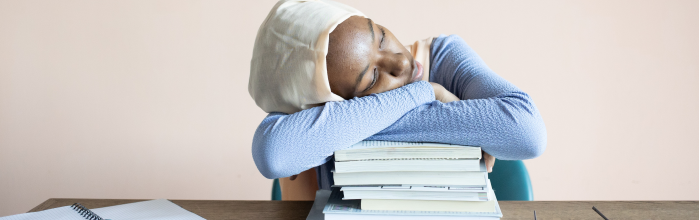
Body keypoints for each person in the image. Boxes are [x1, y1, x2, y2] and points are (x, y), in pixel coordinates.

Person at [249, 0, 547, 200]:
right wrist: (424, 93)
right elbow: (274, 154)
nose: (401, 63)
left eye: (379, 36)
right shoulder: (302, 111)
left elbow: (528, 133)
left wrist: (345, 127)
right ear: (327, 103)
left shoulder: (443, 57)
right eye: (374, 78)